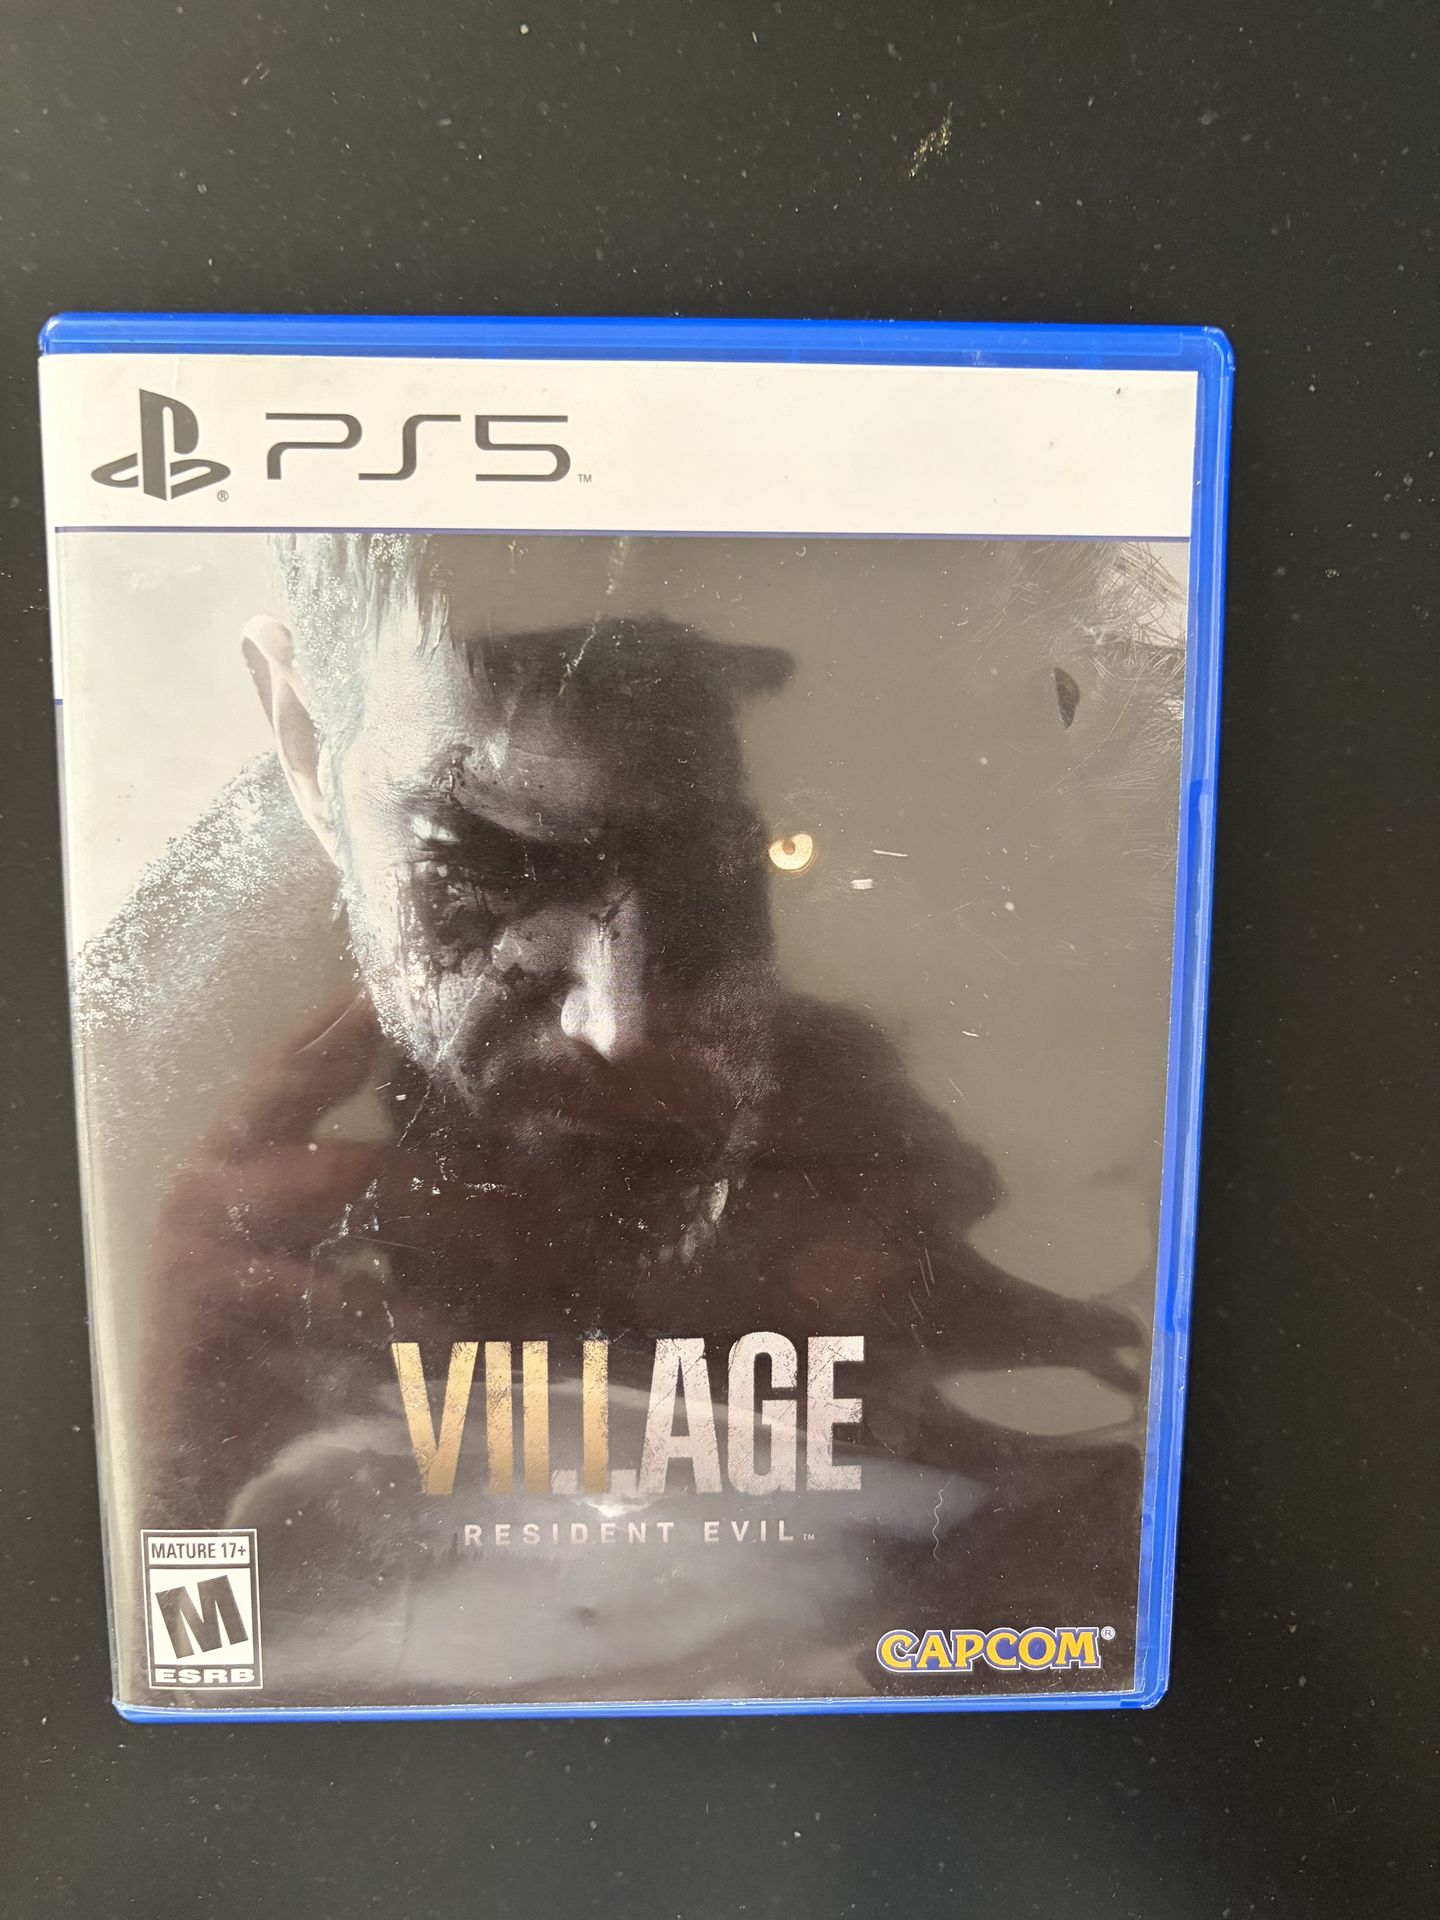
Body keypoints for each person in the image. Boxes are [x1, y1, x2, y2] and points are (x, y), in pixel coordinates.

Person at [87, 534, 1144, 1702]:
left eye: (715, 881)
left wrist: (1013, 1529)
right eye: (481, 863)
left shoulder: (866, 1127)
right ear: (304, 743)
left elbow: (1080, 1589)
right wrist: (187, 1504)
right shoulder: (158, 1101)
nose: (621, 1026)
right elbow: (180, 1711)